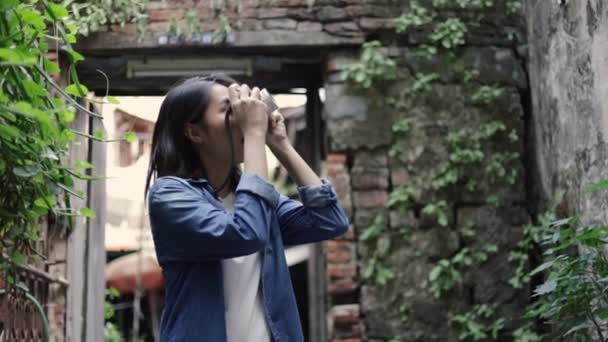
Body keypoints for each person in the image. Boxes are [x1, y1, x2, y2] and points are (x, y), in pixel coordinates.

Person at [145, 74, 349, 342]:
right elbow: (246, 233)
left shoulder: (252, 196)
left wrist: (281, 146)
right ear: (194, 132)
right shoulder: (170, 195)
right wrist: (253, 133)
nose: (245, 116)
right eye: (231, 110)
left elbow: (330, 220)